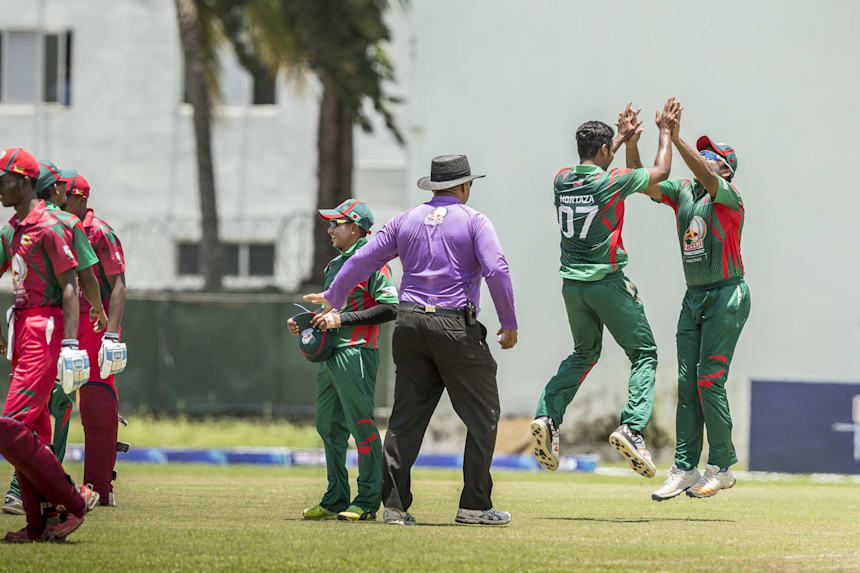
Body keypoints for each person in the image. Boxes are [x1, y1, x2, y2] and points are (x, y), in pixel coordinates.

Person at [305, 154, 518, 526]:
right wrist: (508, 321)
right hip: (454, 326)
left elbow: (362, 260)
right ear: (464, 186)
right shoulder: (474, 220)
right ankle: (474, 505)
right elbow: (496, 269)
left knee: (405, 420)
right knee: (483, 415)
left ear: (434, 187)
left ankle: (394, 506)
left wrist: (334, 297)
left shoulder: (405, 220)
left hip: (409, 324)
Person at [530, 99, 680, 478]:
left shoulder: (561, 179)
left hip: (572, 287)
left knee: (584, 353)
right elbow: (660, 172)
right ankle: (632, 427)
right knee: (644, 353)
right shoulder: (610, 182)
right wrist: (665, 131)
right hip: (607, 282)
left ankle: (547, 416)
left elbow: (600, 164)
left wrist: (622, 139)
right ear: (602, 149)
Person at [624, 109, 750, 500]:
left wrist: (675, 137)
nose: (704, 158)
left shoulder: (727, 195)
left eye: (711, 155)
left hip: (727, 294)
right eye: (702, 153)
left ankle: (721, 467)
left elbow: (707, 176)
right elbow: (643, 181)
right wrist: (632, 143)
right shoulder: (683, 192)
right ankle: (684, 467)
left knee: (709, 380)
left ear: (725, 169)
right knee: (686, 384)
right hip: (694, 297)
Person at [0, 147, 97, 543]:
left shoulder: (50, 226)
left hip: (44, 328)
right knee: (31, 434)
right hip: (22, 327)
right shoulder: (14, 228)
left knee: (10, 428)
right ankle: (39, 524)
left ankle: (73, 500)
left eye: (3, 180)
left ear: (24, 182)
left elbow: (72, 286)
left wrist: (71, 344)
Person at [288, 199, 398, 522]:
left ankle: (367, 501)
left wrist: (340, 319)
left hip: (357, 352)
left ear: (355, 228)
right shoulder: (334, 266)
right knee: (328, 426)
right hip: (331, 354)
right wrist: (306, 323)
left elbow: (390, 307)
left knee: (361, 426)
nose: (330, 230)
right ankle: (336, 497)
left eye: (336, 224)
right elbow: (331, 309)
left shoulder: (374, 262)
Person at [63, 172, 129, 506]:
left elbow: (118, 285)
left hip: (94, 320)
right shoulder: (55, 227)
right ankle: (35, 485)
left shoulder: (99, 232)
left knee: (95, 401)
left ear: (80, 199)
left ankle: (100, 486)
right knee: (54, 399)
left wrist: (112, 334)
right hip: (60, 317)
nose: (56, 202)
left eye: (63, 197)